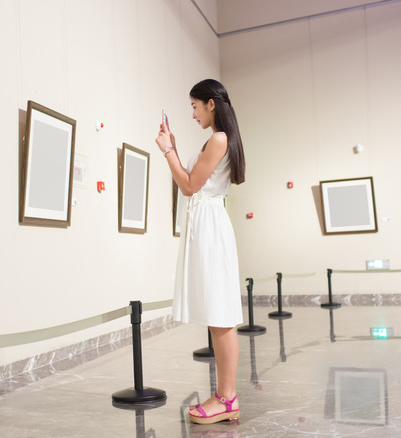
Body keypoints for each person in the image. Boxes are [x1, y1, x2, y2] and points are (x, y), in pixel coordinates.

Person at [155, 79, 246, 424]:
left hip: (210, 228)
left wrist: (167, 151)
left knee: (220, 316)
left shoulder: (220, 138)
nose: (192, 113)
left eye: (195, 106)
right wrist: (174, 147)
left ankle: (227, 398)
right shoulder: (219, 139)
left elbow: (190, 185)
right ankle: (225, 396)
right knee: (217, 314)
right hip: (207, 225)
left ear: (211, 103)